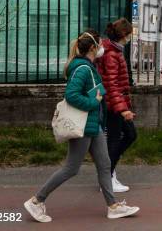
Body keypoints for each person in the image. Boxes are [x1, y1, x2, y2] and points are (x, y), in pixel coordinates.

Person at [24, 30, 139, 222]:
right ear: (93, 48)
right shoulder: (83, 68)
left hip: (94, 126)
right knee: (71, 168)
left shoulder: (88, 67)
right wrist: (93, 102)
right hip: (84, 125)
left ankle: (113, 206)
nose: (103, 48)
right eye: (100, 45)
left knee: (104, 165)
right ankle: (36, 201)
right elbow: (72, 95)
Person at [97, 18, 136, 193]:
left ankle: (108, 174)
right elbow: (112, 85)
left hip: (116, 103)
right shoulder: (112, 55)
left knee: (129, 135)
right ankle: (107, 178)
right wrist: (123, 109)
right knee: (117, 139)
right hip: (114, 106)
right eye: (129, 35)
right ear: (124, 35)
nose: (130, 38)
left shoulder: (114, 51)